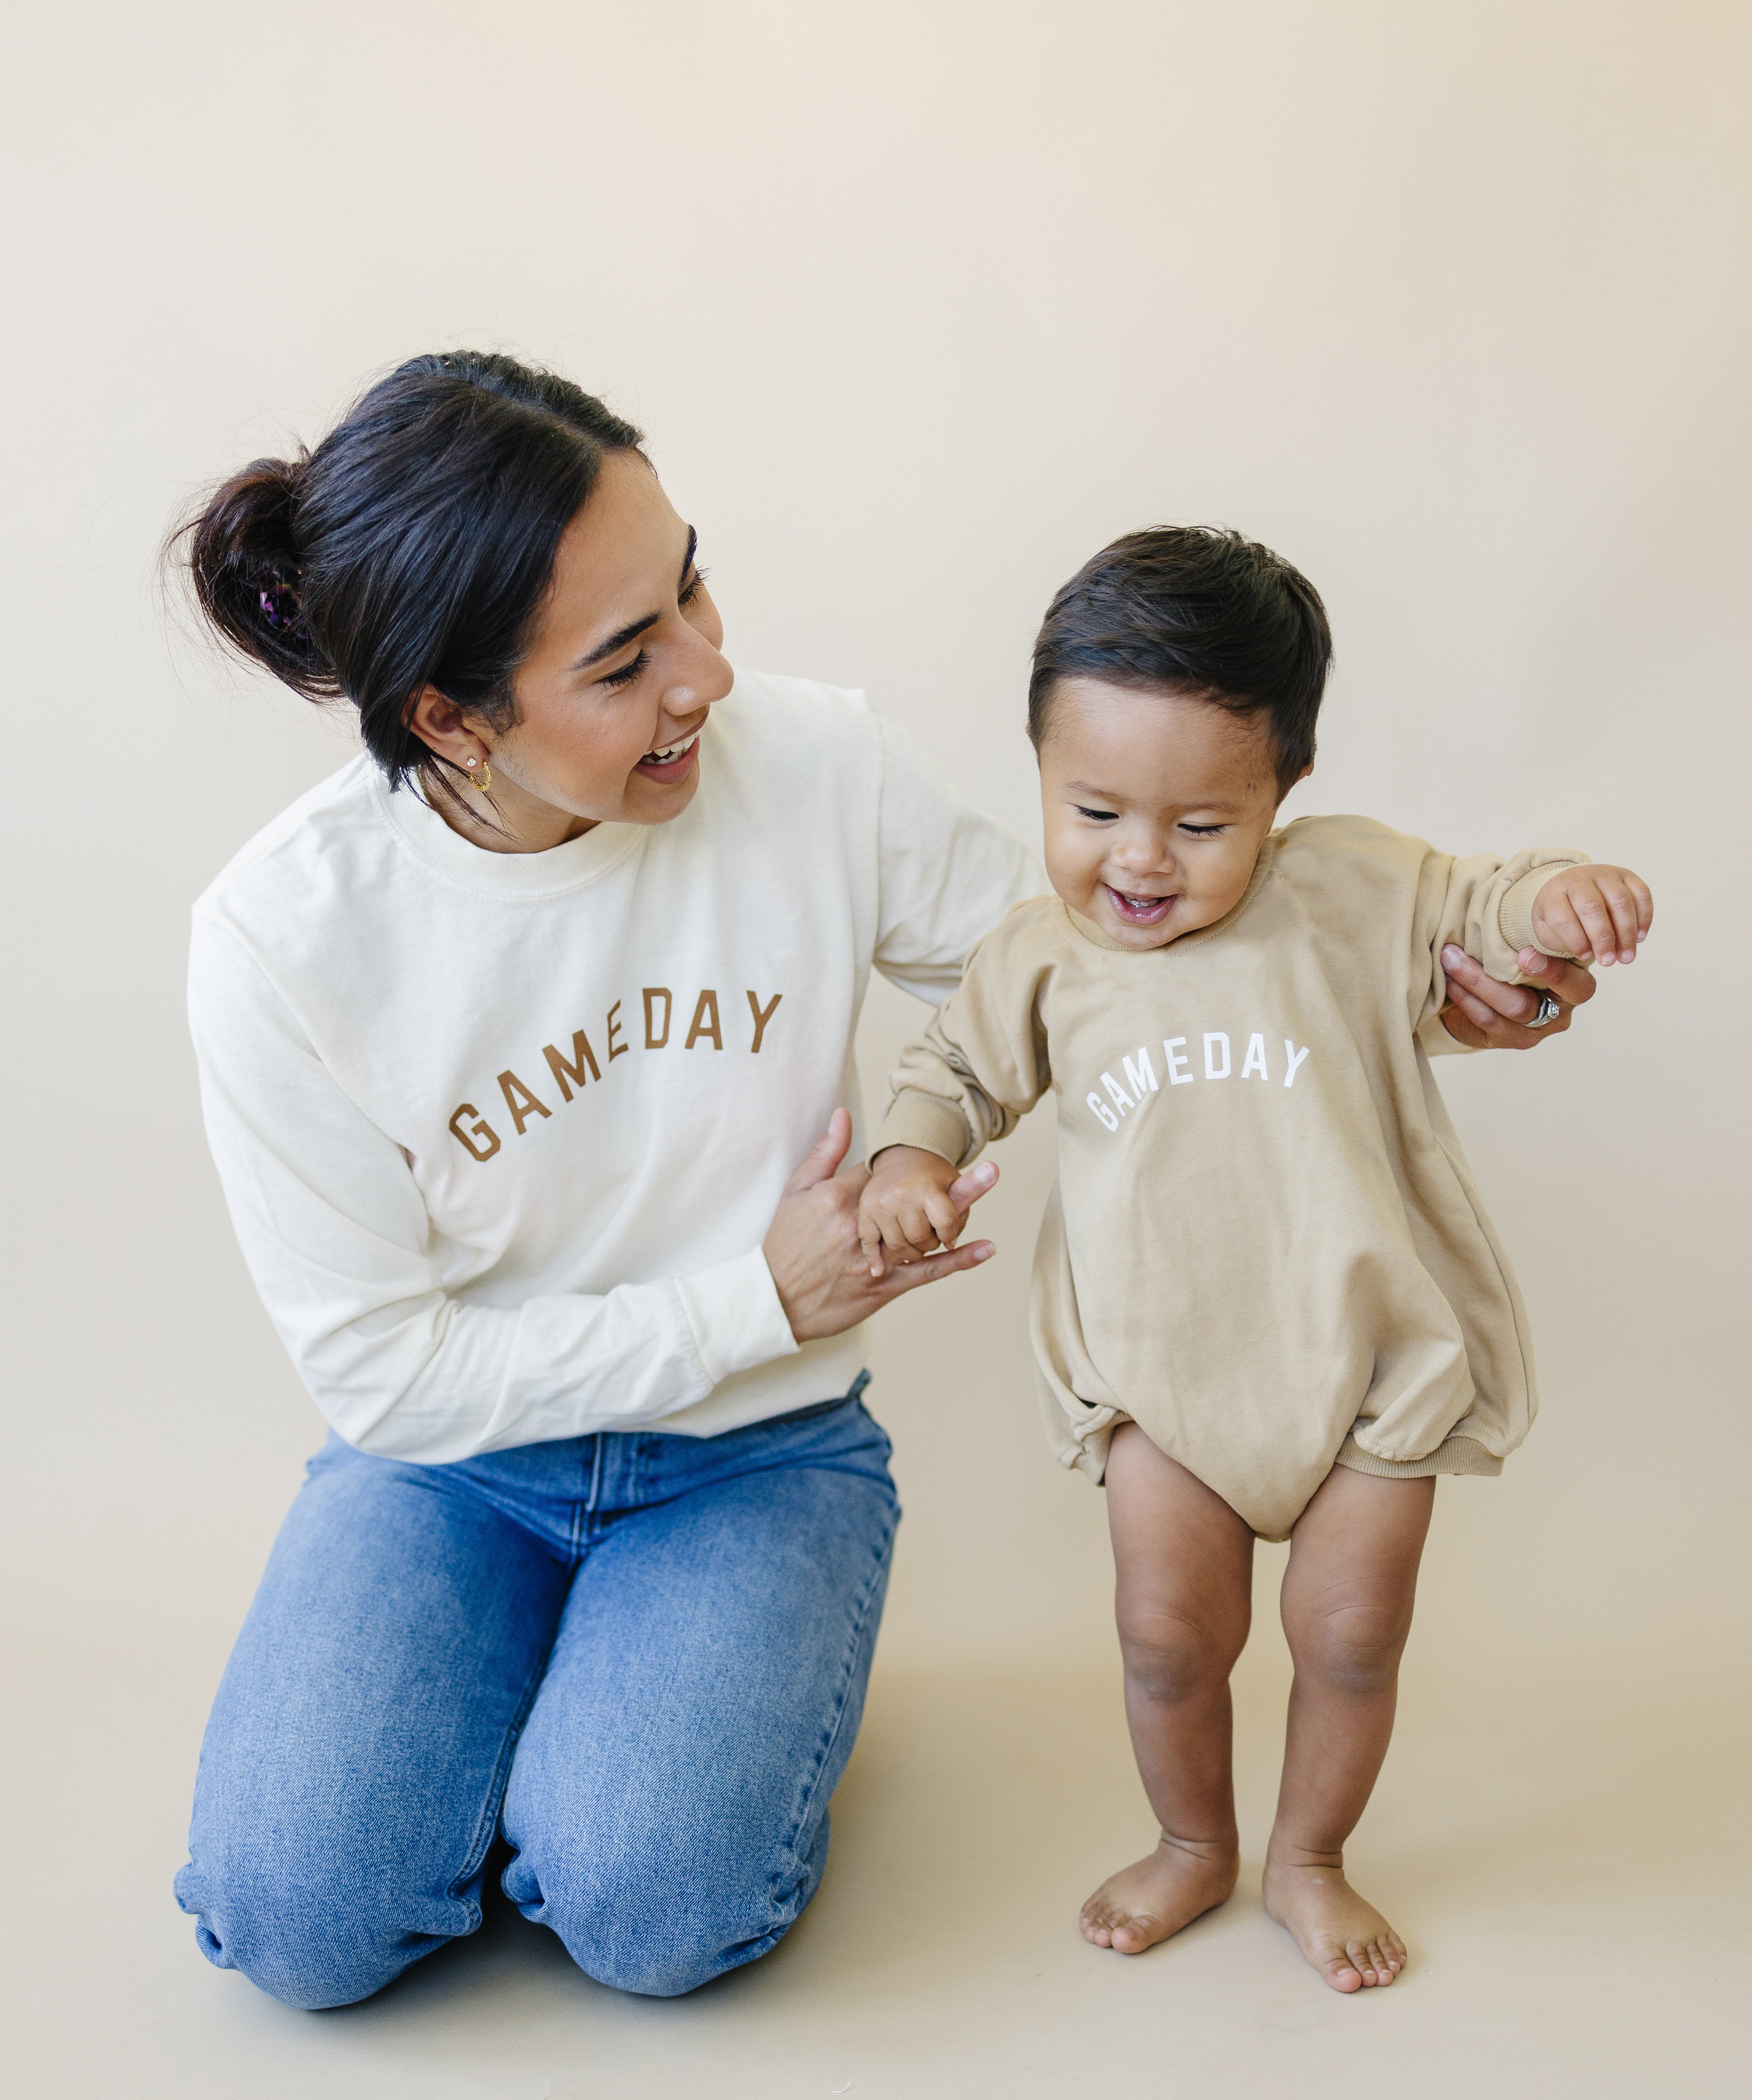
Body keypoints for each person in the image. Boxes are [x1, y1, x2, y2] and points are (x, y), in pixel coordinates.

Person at [170, 357, 1591, 2012]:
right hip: (450, 1469)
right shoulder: (282, 939)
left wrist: (1438, 993)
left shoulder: (812, 762)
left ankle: (656, 1705)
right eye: (627, 661)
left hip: (754, 1459)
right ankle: (550, 1705)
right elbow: (379, 1373)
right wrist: (755, 1296)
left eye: (690, 580)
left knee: (655, 1916)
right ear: (449, 718)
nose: (708, 672)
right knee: (300, 1924)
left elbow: (1101, 960)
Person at [857, 526, 1648, 1994]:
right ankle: (1194, 1841)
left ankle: (1310, 1856)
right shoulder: (1039, 956)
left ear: (1282, 792)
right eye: (1093, 808)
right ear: (1037, 767)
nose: (1141, 860)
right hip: (1163, 1378)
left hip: (1368, 1366)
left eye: (1202, 826)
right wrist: (909, 1161)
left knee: (1350, 1637)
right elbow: (953, 1073)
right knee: (1167, 1641)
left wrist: (1560, 902)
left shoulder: (1353, 892)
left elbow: (1488, 904)